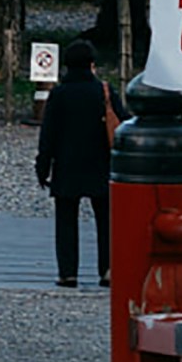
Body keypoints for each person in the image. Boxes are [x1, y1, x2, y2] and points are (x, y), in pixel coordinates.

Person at [34, 46, 118, 290]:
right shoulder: (103, 91)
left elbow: (48, 134)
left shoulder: (60, 94)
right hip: (101, 164)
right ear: (92, 64)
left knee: (66, 220)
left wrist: (43, 166)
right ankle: (108, 269)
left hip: (67, 165)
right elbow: (121, 123)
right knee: (106, 220)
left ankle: (68, 272)